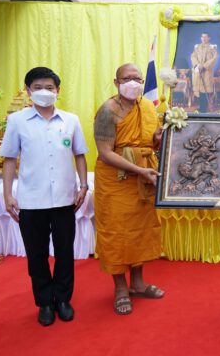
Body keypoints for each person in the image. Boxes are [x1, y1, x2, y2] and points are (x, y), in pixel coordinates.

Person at [0, 67, 88, 326]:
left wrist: (83, 186)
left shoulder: (70, 120)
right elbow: (9, 159)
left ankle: (63, 299)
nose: (44, 92)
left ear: (58, 90)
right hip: (31, 201)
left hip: (64, 200)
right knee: (36, 255)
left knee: (64, 253)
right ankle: (45, 302)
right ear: (28, 91)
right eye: (38, 87)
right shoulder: (17, 121)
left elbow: (79, 154)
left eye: (49, 87)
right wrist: (8, 194)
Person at [93, 63, 164, 316]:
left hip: (144, 177)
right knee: (117, 233)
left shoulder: (148, 107)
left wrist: (158, 139)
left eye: (137, 78)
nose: (133, 83)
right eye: (127, 78)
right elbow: (105, 153)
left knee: (139, 232)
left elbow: (149, 144)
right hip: (116, 181)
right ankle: (121, 288)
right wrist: (138, 170)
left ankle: (138, 283)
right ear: (116, 82)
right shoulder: (107, 111)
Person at [191, 32, 218, 113]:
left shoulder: (212, 48)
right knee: (199, 90)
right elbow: (193, 57)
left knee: (206, 89)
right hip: (198, 72)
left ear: (209, 38)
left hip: (207, 72)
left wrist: (204, 66)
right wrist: (197, 64)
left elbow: (214, 58)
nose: (204, 39)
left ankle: (205, 108)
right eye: (202, 37)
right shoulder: (197, 48)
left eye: (205, 37)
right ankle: (201, 107)